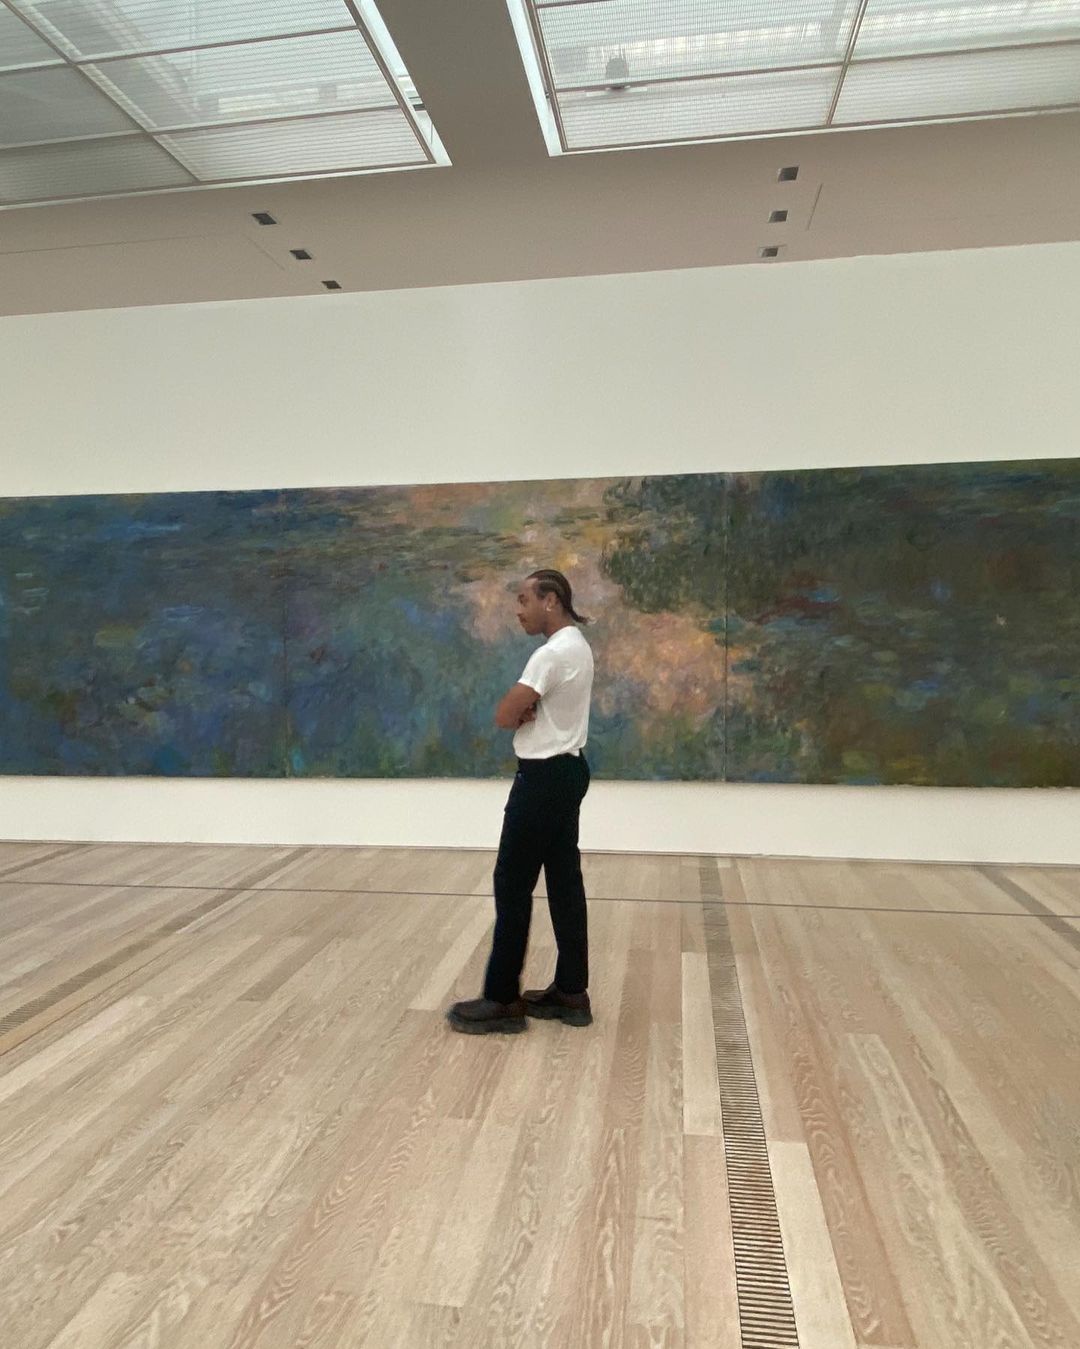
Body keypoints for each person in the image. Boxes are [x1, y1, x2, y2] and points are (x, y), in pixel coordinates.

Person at [447, 568, 594, 1035]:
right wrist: (526, 709)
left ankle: (502, 998)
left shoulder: (550, 655)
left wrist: (521, 709)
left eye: (524, 600)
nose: (518, 610)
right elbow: (521, 710)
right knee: (564, 883)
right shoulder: (578, 647)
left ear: (551, 600)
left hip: (542, 779)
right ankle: (571, 992)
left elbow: (504, 714)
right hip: (568, 772)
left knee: (512, 883)